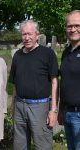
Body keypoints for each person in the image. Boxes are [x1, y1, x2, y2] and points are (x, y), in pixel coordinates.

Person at [9, 20, 58, 150]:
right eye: (24, 34)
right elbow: (15, 83)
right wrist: (13, 105)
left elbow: (54, 82)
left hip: (40, 106)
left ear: (37, 35)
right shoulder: (17, 56)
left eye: (30, 34)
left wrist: (53, 110)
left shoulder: (47, 54)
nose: (27, 38)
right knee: (19, 146)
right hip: (20, 106)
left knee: (42, 146)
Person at [58, 10, 80, 150]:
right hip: (67, 113)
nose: (73, 29)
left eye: (77, 25)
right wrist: (60, 110)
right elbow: (64, 82)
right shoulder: (66, 52)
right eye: (69, 26)